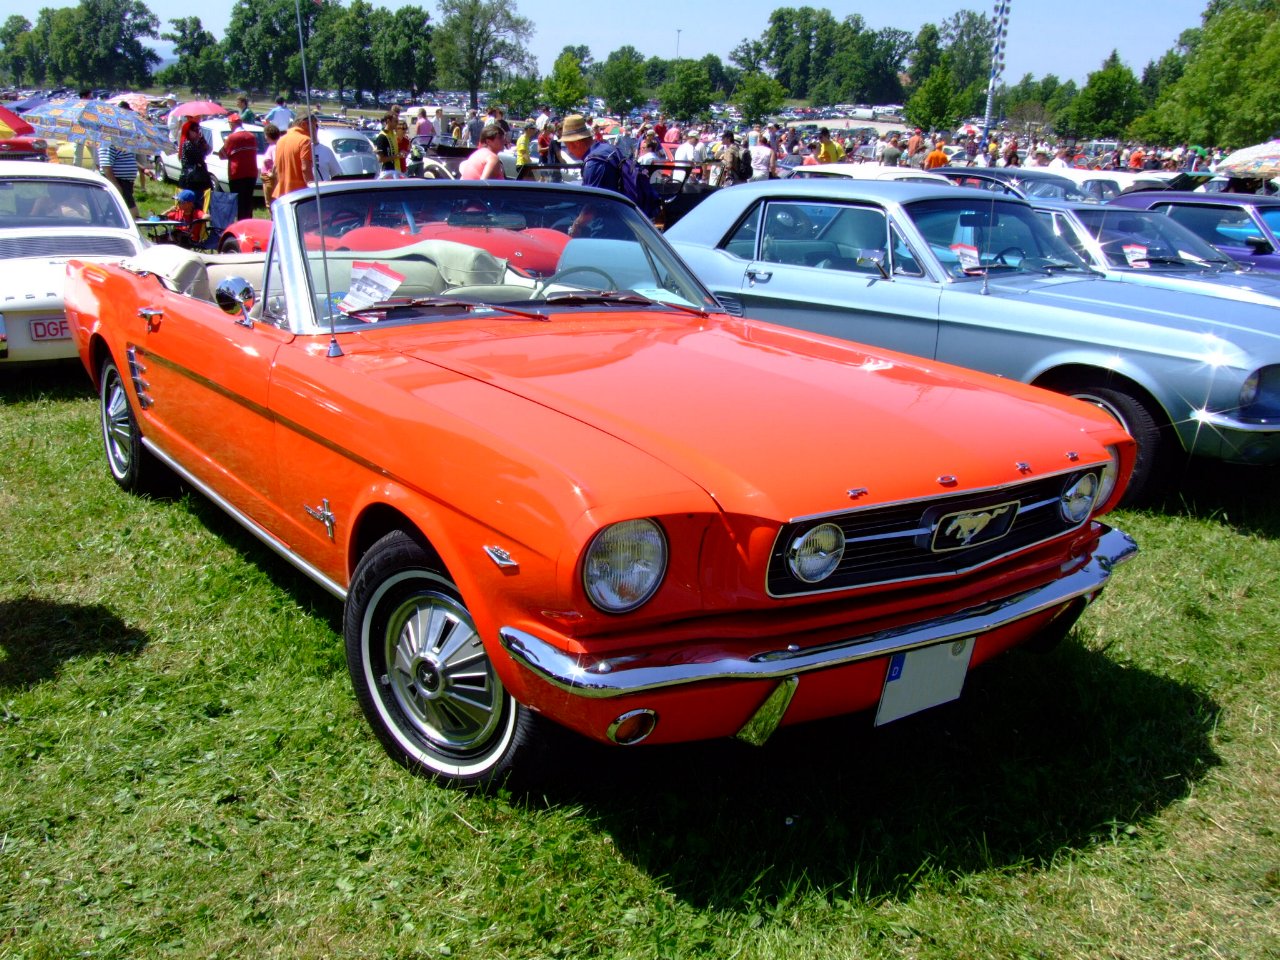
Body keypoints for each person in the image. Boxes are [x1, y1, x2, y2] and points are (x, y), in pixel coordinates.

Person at [218, 112, 259, 221]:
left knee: (239, 202)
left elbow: (222, 155)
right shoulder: (252, 136)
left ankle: (240, 223)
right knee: (248, 200)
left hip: (237, 173)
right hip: (251, 173)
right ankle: (248, 221)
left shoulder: (232, 138)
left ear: (232, 124)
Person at [98, 123, 140, 217]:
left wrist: (142, 168)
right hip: (118, 181)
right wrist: (116, 186)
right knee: (131, 211)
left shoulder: (120, 143)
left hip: (125, 182)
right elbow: (106, 167)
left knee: (117, 210)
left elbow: (128, 159)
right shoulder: (108, 143)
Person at [273, 113, 316, 199]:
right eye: (314, 127)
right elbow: (305, 169)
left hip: (281, 193)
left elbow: (275, 169)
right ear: (304, 124)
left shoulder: (281, 140)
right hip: (299, 194)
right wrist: (312, 189)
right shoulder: (305, 140)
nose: (315, 130)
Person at [177, 121, 212, 198]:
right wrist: (200, 143)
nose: (197, 132)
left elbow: (208, 151)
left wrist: (203, 142)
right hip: (190, 178)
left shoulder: (196, 143)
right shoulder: (187, 144)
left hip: (199, 177)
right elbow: (200, 155)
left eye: (198, 130)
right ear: (188, 131)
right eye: (195, 130)